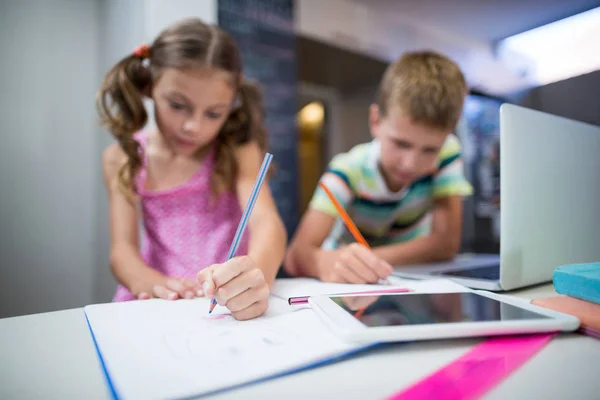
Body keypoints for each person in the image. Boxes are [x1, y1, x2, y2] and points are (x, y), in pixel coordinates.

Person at [97, 18, 286, 320]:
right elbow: (122, 251)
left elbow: (267, 224)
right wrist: (154, 283)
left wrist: (256, 277)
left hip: (226, 303)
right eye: (177, 105)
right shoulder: (123, 157)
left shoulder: (238, 151)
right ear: (149, 87)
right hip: (156, 301)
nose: (193, 126)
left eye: (214, 113)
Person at [285, 51, 473, 284]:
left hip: (407, 282)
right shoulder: (347, 171)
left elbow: (446, 243)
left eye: (430, 150)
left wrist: (370, 262)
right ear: (375, 120)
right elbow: (295, 256)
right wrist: (328, 262)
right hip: (349, 283)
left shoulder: (448, 152)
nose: (411, 163)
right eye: (401, 143)